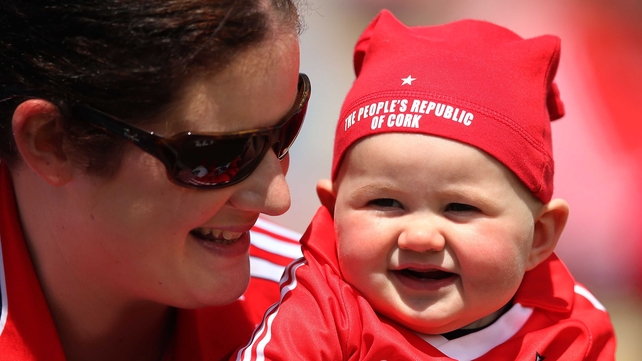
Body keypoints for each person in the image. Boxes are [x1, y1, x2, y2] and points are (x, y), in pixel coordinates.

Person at [236, 10, 616, 361]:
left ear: (539, 237)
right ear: (334, 215)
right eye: (385, 202)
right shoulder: (323, 313)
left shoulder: (569, 331)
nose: (419, 237)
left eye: (459, 208)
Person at [0, 0, 309, 360]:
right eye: (216, 155)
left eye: (286, 130)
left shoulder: (325, 320)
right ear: (51, 141)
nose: (277, 197)